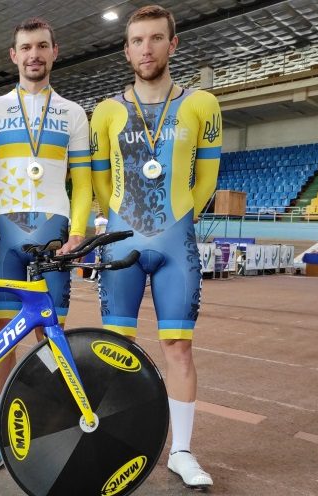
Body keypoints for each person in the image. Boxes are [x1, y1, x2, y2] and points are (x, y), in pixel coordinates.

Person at [90, 5, 221, 488]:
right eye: (137, 41)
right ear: (126, 50)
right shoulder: (106, 111)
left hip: (176, 241)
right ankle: (117, 440)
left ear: (173, 43)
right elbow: (101, 182)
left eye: (156, 38)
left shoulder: (202, 105)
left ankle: (181, 452)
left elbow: (207, 176)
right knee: (116, 348)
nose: (146, 49)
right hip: (122, 240)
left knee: (178, 346)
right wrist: (123, 219)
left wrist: (178, 218)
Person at [0, 17, 92, 470]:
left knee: (50, 336)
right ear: (14, 55)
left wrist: (78, 232)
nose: (34, 55)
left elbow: (83, 181)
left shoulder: (74, 112)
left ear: (55, 51)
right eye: (26, 47)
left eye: (42, 46)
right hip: (5, 235)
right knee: (4, 338)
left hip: (54, 235)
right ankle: (0, 427)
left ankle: (47, 423)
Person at [88, 212, 108, 280]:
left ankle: (92, 277)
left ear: (97, 216)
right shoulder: (107, 221)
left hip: (99, 241)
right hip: (107, 241)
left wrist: (94, 239)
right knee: (102, 258)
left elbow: (98, 229)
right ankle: (99, 277)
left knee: (97, 258)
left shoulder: (97, 220)